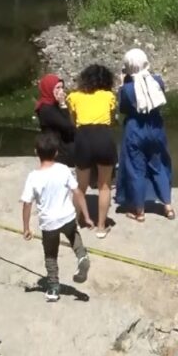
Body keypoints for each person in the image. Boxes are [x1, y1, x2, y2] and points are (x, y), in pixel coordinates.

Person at [19, 131, 91, 303]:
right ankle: (82, 257)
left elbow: (27, 203)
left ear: (36, 152)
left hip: (49, 223)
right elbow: (78, 192)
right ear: (57, 152)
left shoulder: (33, 177)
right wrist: (87, 216)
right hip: (67, 217)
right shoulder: (63, 169)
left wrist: (26, 227)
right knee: (75, 238)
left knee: (50, 255)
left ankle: (53, 288)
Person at [116, 48, 174, 222]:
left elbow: (123, 109)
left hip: (135, 129)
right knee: (159, 165)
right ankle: (168, 206)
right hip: (156, 127)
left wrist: (121, 85)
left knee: (136, 169)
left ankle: (139, 211)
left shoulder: (126, 89)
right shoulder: (157, 81)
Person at [67, 63, 118, 238]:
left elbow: (73, 121)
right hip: (103, 137)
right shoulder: (108, 96)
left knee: (80, 186)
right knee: (104, 186)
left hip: (83, 138)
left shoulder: (74, 97)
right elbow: (111, 120)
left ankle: (74, 223)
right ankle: (101, 227)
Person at [33, 74, 78, 170]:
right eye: (57, 88)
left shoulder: (53, 105)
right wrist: (63, 104)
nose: (61, 91)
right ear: (49, 88)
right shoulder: (46, 109)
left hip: (63, 148)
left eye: (62, 87)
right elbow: (69, 126)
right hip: (58, 153)